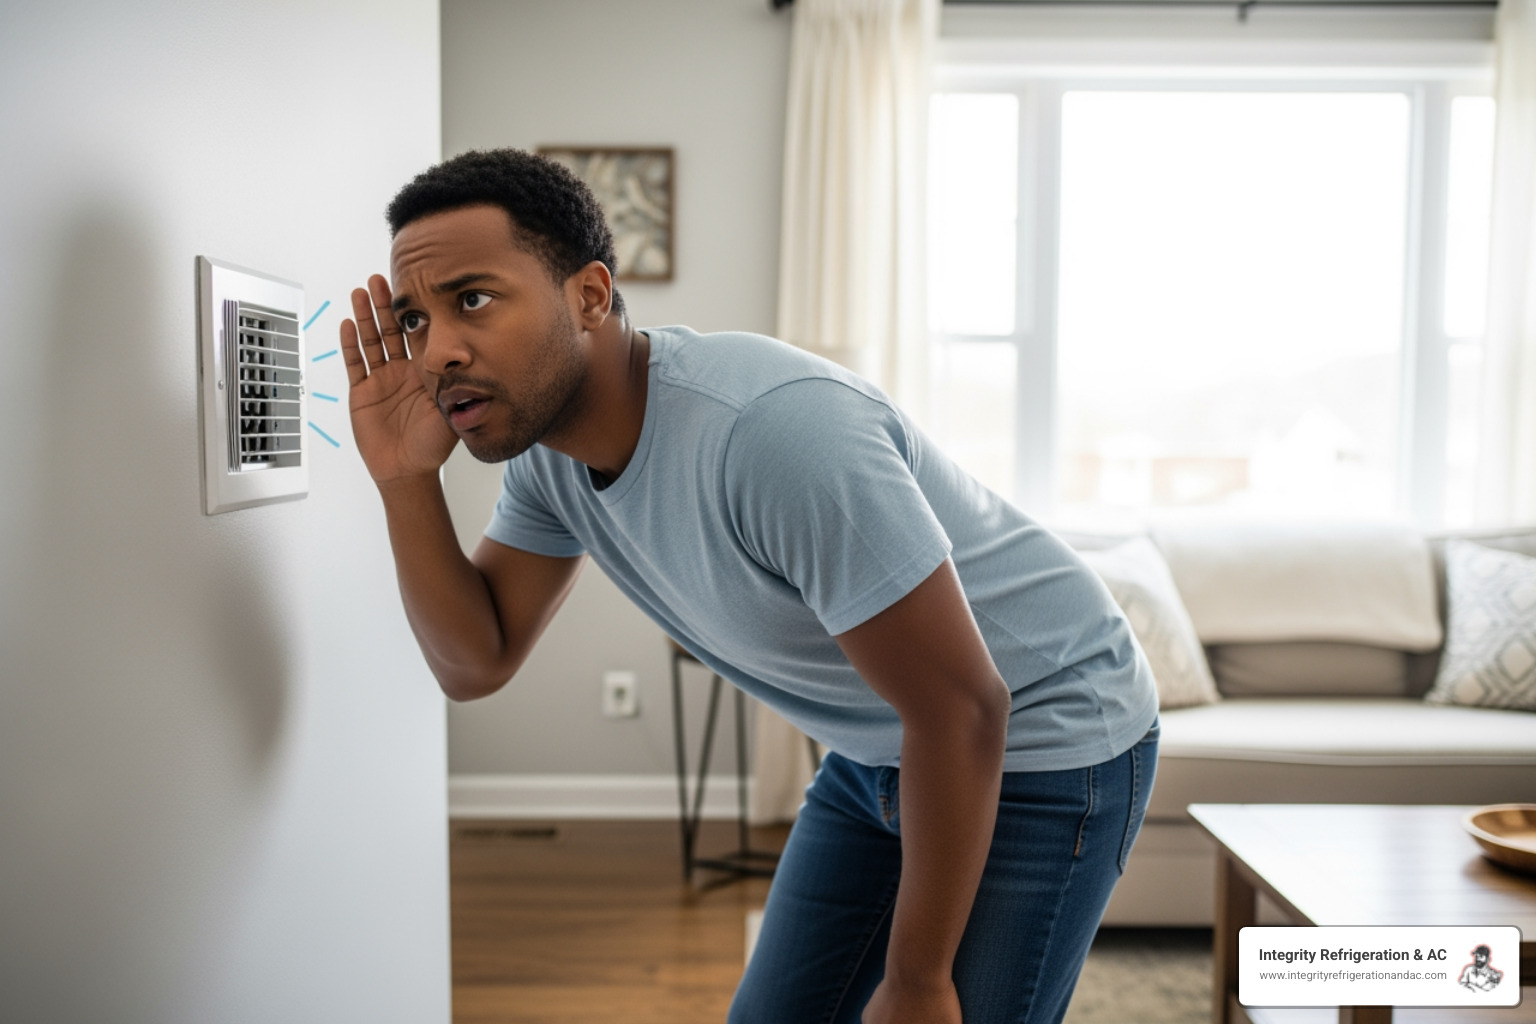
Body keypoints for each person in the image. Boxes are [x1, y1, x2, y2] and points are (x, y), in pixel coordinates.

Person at [341, 147, 1159, 1024]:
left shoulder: (773, 433)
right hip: (884, 748)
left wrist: (917, 982)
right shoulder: (551, 466)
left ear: (587, 296)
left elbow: (965, 709)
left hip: (1046, 736)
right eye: (414, 320)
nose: (436, 354)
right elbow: (476, 661)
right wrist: (403, 481)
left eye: (471, 299)